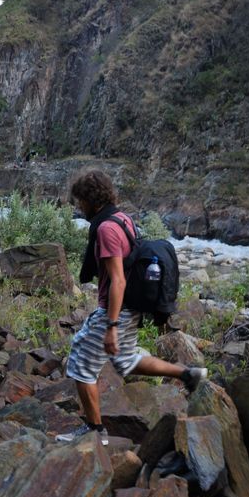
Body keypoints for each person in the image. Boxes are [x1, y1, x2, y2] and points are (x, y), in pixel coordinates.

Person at [56, 169, 207, 445]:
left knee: (80, 365)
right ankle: (188, 374)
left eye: (80, 201)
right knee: (125, 361)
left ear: (91, 199)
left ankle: (94, 431)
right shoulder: (122, 217)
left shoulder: (106, 229)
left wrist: (111, 325)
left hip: (116, 310)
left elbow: (118, 280)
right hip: (129, 309)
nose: (79, 207)